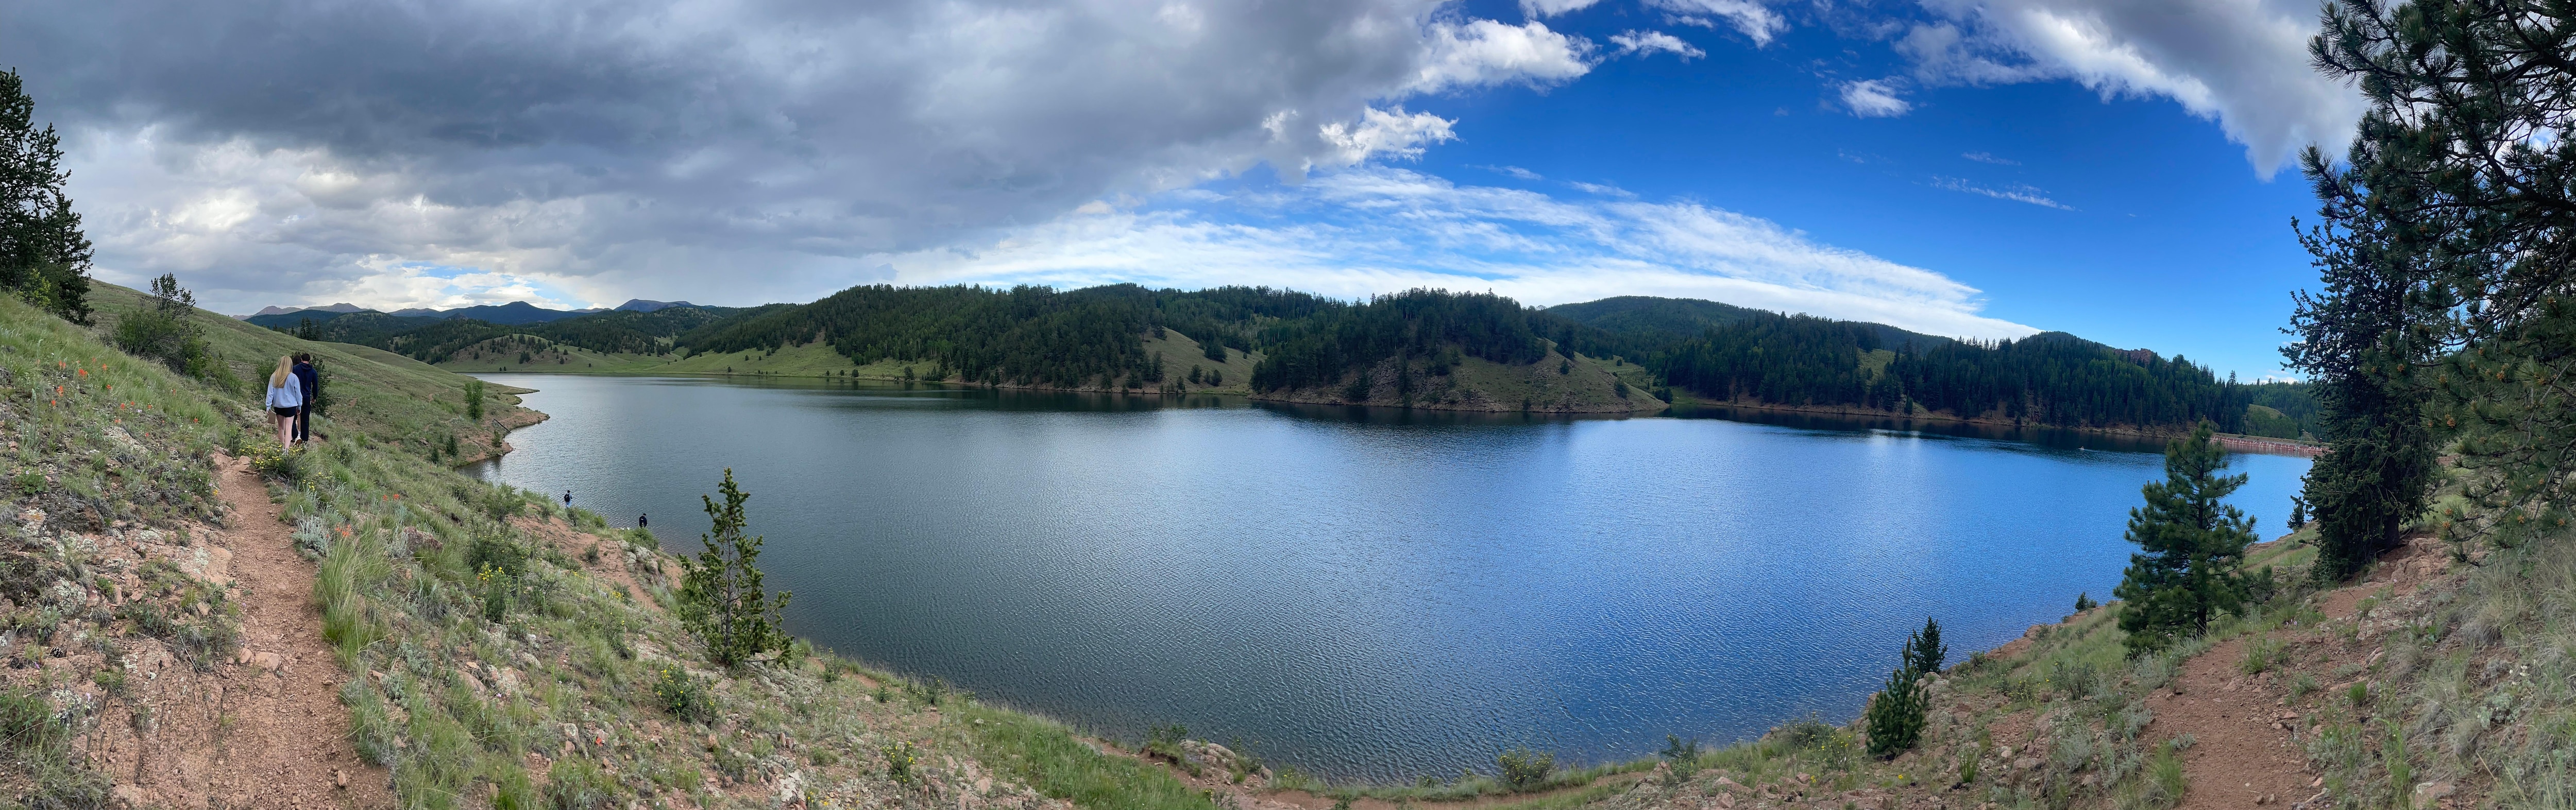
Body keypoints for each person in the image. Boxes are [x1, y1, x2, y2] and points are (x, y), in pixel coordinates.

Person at [264, 355, 303, 450]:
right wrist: (300, 406)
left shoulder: (274, 376)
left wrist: (268, 405)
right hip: (291, 406)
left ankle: (281, 447)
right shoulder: (294, 377)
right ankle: (286, 450)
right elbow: (298, 393)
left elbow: (270, 392)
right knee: (289, 428)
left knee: (281, 428)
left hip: (279, 406)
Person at [291, 353, 319, 443]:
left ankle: (295, 436)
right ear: (309, 361)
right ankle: (305, 440)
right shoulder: (313, 372)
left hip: (295, 397)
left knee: (292, 418)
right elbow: (315, 386)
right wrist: (314, 397)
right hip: (306, 398)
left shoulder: (295, 369)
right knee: (305, 419)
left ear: (301, 359)